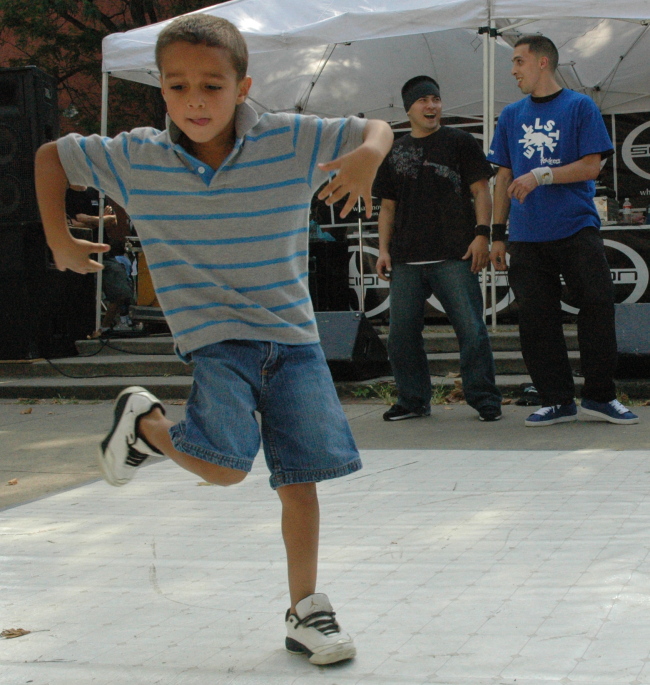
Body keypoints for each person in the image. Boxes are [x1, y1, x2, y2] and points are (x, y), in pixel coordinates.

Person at [35, 14, 393, 665]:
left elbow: (377, 127)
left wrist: (369, 153)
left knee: (301, 478)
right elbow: (50, 156)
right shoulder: (136, 156)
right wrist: (58, 236)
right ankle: (146, 425)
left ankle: (307, 608)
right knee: (225, 468)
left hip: (292, 340)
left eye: (212, 85)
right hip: (216, 340)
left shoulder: (288, 140)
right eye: (177, 87)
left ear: (242, 84)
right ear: (161, 91)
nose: (195, 101)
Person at [488, 34, 638, 426]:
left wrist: (542, 174)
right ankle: (557, 399)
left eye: (519, 61)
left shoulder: (580, 106)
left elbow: (592, 166)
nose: (513, 70)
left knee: (597, 305)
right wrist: (496, 234)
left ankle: (600, 396)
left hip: (575, 227)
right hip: (526, 234)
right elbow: (503, 177)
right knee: (536, 318)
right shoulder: (511, 115)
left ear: (542, 63)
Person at [373, 75, 503, 423]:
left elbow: (482, 191)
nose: (431, 106)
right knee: (400, 336)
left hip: (454, 254)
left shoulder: (460, 141)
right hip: (406, 259)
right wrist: (383, 251)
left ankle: (485, 399)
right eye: (423, 101)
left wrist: (481, 235)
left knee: (472, 330)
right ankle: (413, 399)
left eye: (435, 99)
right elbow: (387, 207)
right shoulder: (394, 150)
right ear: (408, 109)